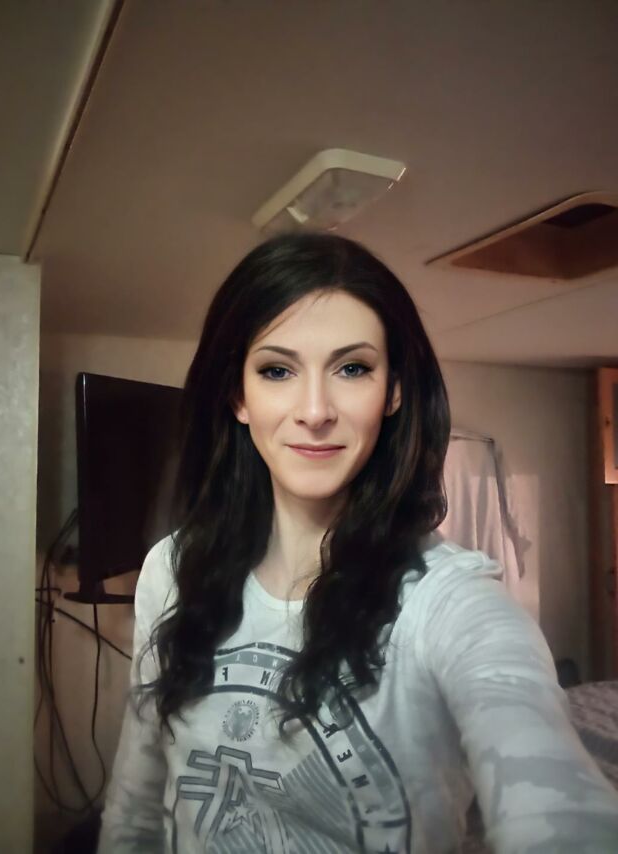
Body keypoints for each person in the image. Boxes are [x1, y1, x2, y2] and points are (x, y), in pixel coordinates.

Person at [97, 232, 618, 854]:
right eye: (277, 370)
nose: (315, 410)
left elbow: (558, 808)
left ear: (393, 390)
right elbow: (136, 805)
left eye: (352, 368)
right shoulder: (171, 568)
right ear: (238, 396)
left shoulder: (449, 604)